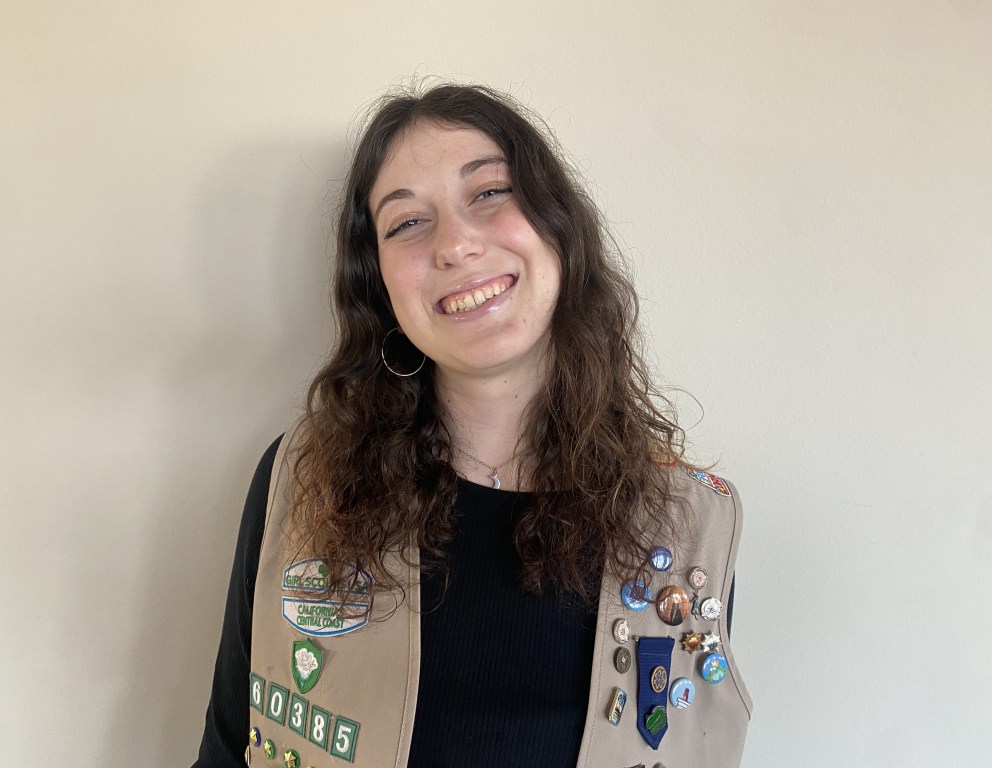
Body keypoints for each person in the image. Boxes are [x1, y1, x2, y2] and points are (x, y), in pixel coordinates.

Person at [194, 83, 751, 768]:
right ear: (379, 285)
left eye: (489, 192)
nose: (455, 245)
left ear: (557, 227)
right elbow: (227, 749)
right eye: (406, 222)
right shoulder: (302, 482)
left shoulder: (693, 521)